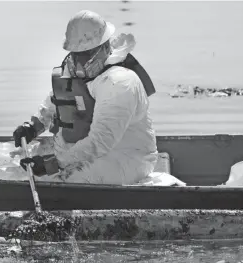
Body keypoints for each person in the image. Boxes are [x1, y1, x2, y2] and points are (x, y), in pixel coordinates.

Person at [13, 10, 158, 185]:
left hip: (125, 159)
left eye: (87, 53)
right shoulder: (73, 69)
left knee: (72, 182)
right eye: (76, 54)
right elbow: (58, 101)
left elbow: (102, 139)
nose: (80, 62)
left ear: (106, 47)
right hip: (78, 154)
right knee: (22, 170)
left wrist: (54, 164)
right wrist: (33, 127)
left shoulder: (120, 83)